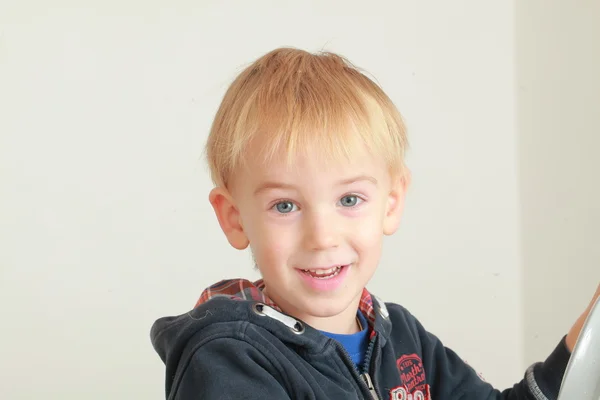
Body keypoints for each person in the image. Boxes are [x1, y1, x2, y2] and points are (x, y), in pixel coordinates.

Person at [150, 47, 599, 399]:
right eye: (285, 206)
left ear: (391, 203)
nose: (323, 237)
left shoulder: (401, 338)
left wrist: (589, 329)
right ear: (234, 218)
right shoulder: (229, 355)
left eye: (349, 199)